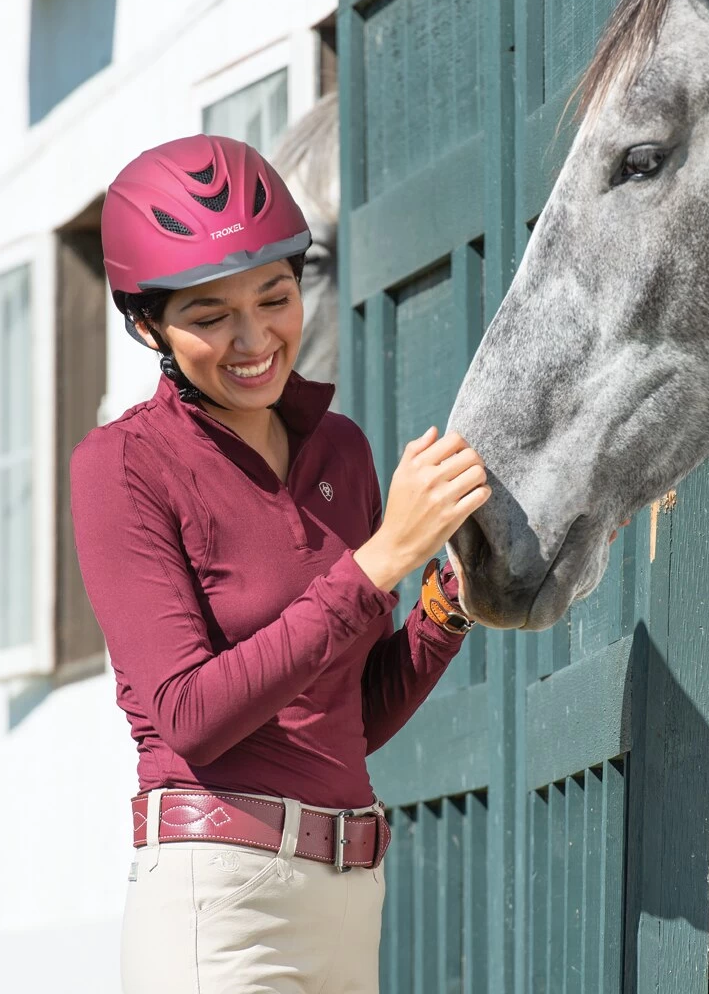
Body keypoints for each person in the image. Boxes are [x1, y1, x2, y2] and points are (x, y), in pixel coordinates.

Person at [70, 134, 488, 994]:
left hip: (349, 897)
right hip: (216, 901)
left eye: (275, 295)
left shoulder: (341, 452)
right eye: (210, 315)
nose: (255, 338)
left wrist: (448, 600)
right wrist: (376, 564)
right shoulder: (123, 466)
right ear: (148, 323)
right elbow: (189, 713)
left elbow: (349, 718)